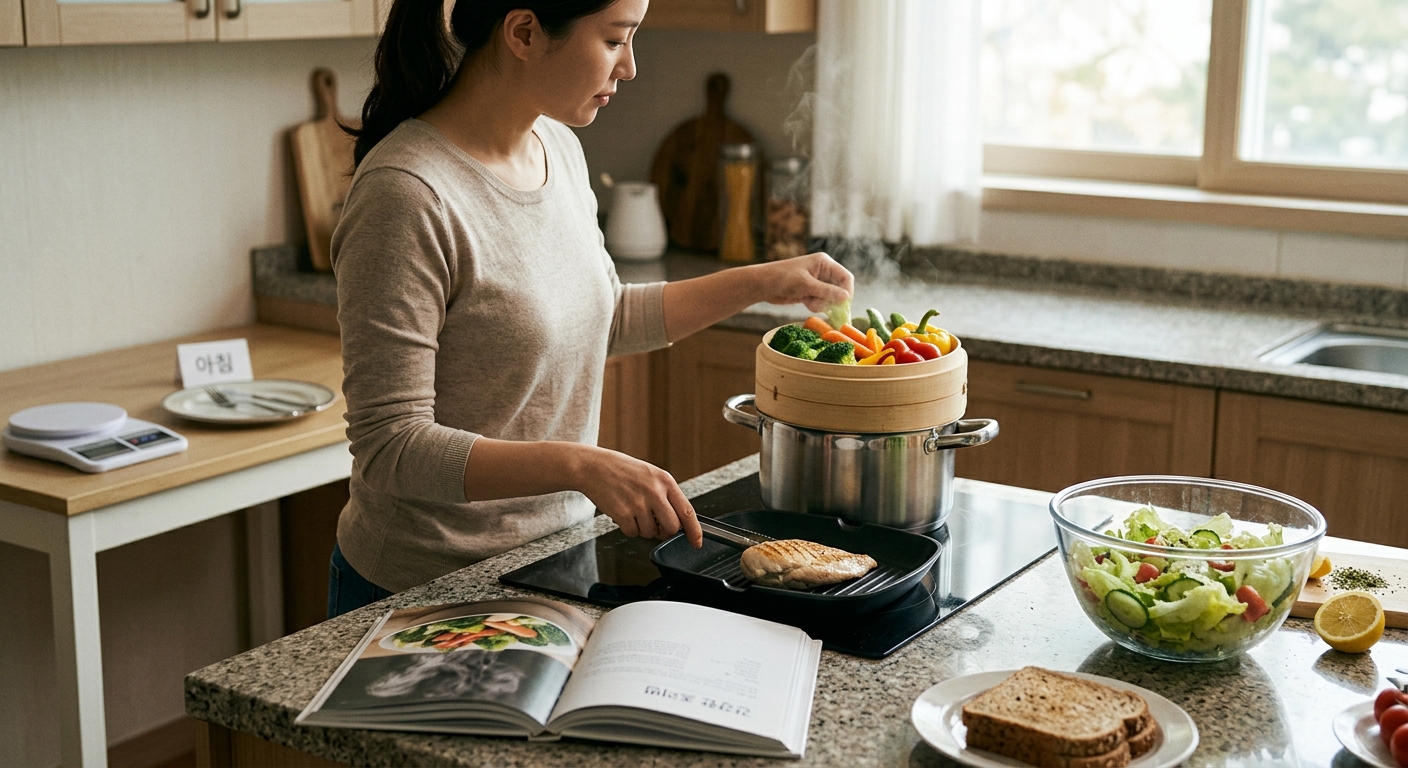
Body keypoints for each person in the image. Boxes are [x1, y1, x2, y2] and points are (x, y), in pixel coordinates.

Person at [326, 0, 854, 618]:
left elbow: (602, 317)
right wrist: (581, 466)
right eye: (614, 40)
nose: (629, 67)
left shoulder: (557, 148)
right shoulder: (408, 194)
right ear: (523, 31)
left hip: (548, 567)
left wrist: (762, 281)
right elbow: (393, 448)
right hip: (424, 590)